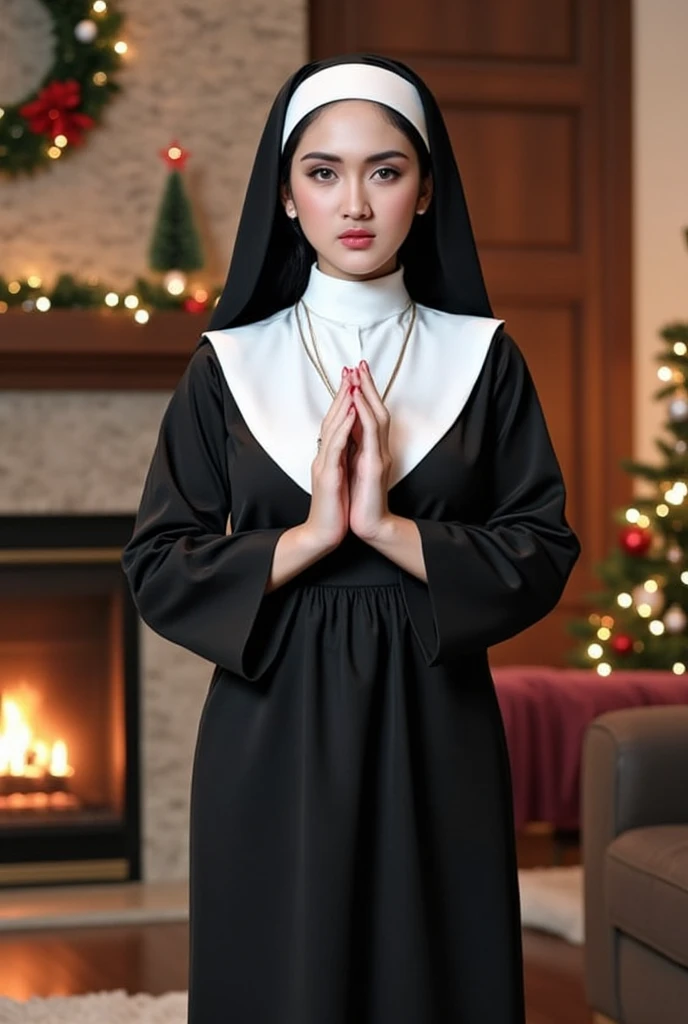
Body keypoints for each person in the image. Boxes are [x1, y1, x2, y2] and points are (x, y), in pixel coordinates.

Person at [121, 53, 581, 1024]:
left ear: (425, 190)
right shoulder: (228, 367)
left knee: (431, 971)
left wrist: (386, 528)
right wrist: (315, 536)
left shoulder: (483, 361)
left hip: (434, 709)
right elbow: (158, 564)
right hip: (270, 716)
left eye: (386, 169)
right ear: (285, 197)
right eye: (322, 172)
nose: (355, 201)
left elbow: (541, 545)